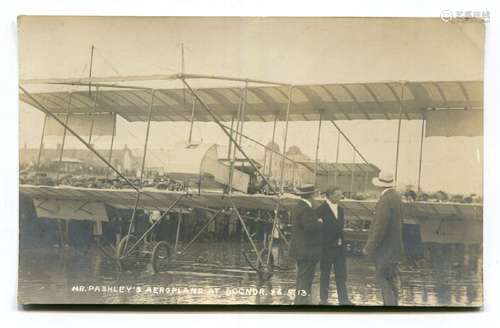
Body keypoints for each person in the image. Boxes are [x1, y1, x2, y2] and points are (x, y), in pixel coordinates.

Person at [363, 171, 404, 306]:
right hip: (395, 248)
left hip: (384, 250)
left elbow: (379, 227)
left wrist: (369, 247)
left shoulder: (385, 200)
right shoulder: (396, 197)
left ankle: (389, 307)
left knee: (382, 278)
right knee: (392, 279)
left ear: (379, 185)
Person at [289, 184, 323, 305]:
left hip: (299, 249)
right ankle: (302, 303)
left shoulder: (298, 207)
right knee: (306, 278)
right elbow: (309, 227)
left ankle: (300, 300)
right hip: (307, 250)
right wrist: (320, 222)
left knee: (301, 276)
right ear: (312, 195)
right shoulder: (306, 209)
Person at [316, 187, 351, 305]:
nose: (340, 197)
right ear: (329, 195)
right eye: (337, 195)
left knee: (341, 274)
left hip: (339, 248)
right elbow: (317, 230)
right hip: (326, 248)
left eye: (341, 194)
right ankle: (323, 299)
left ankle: (344, 300)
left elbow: (340, 228)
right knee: (325, 274)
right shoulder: (320, 210)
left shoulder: (341, 210)